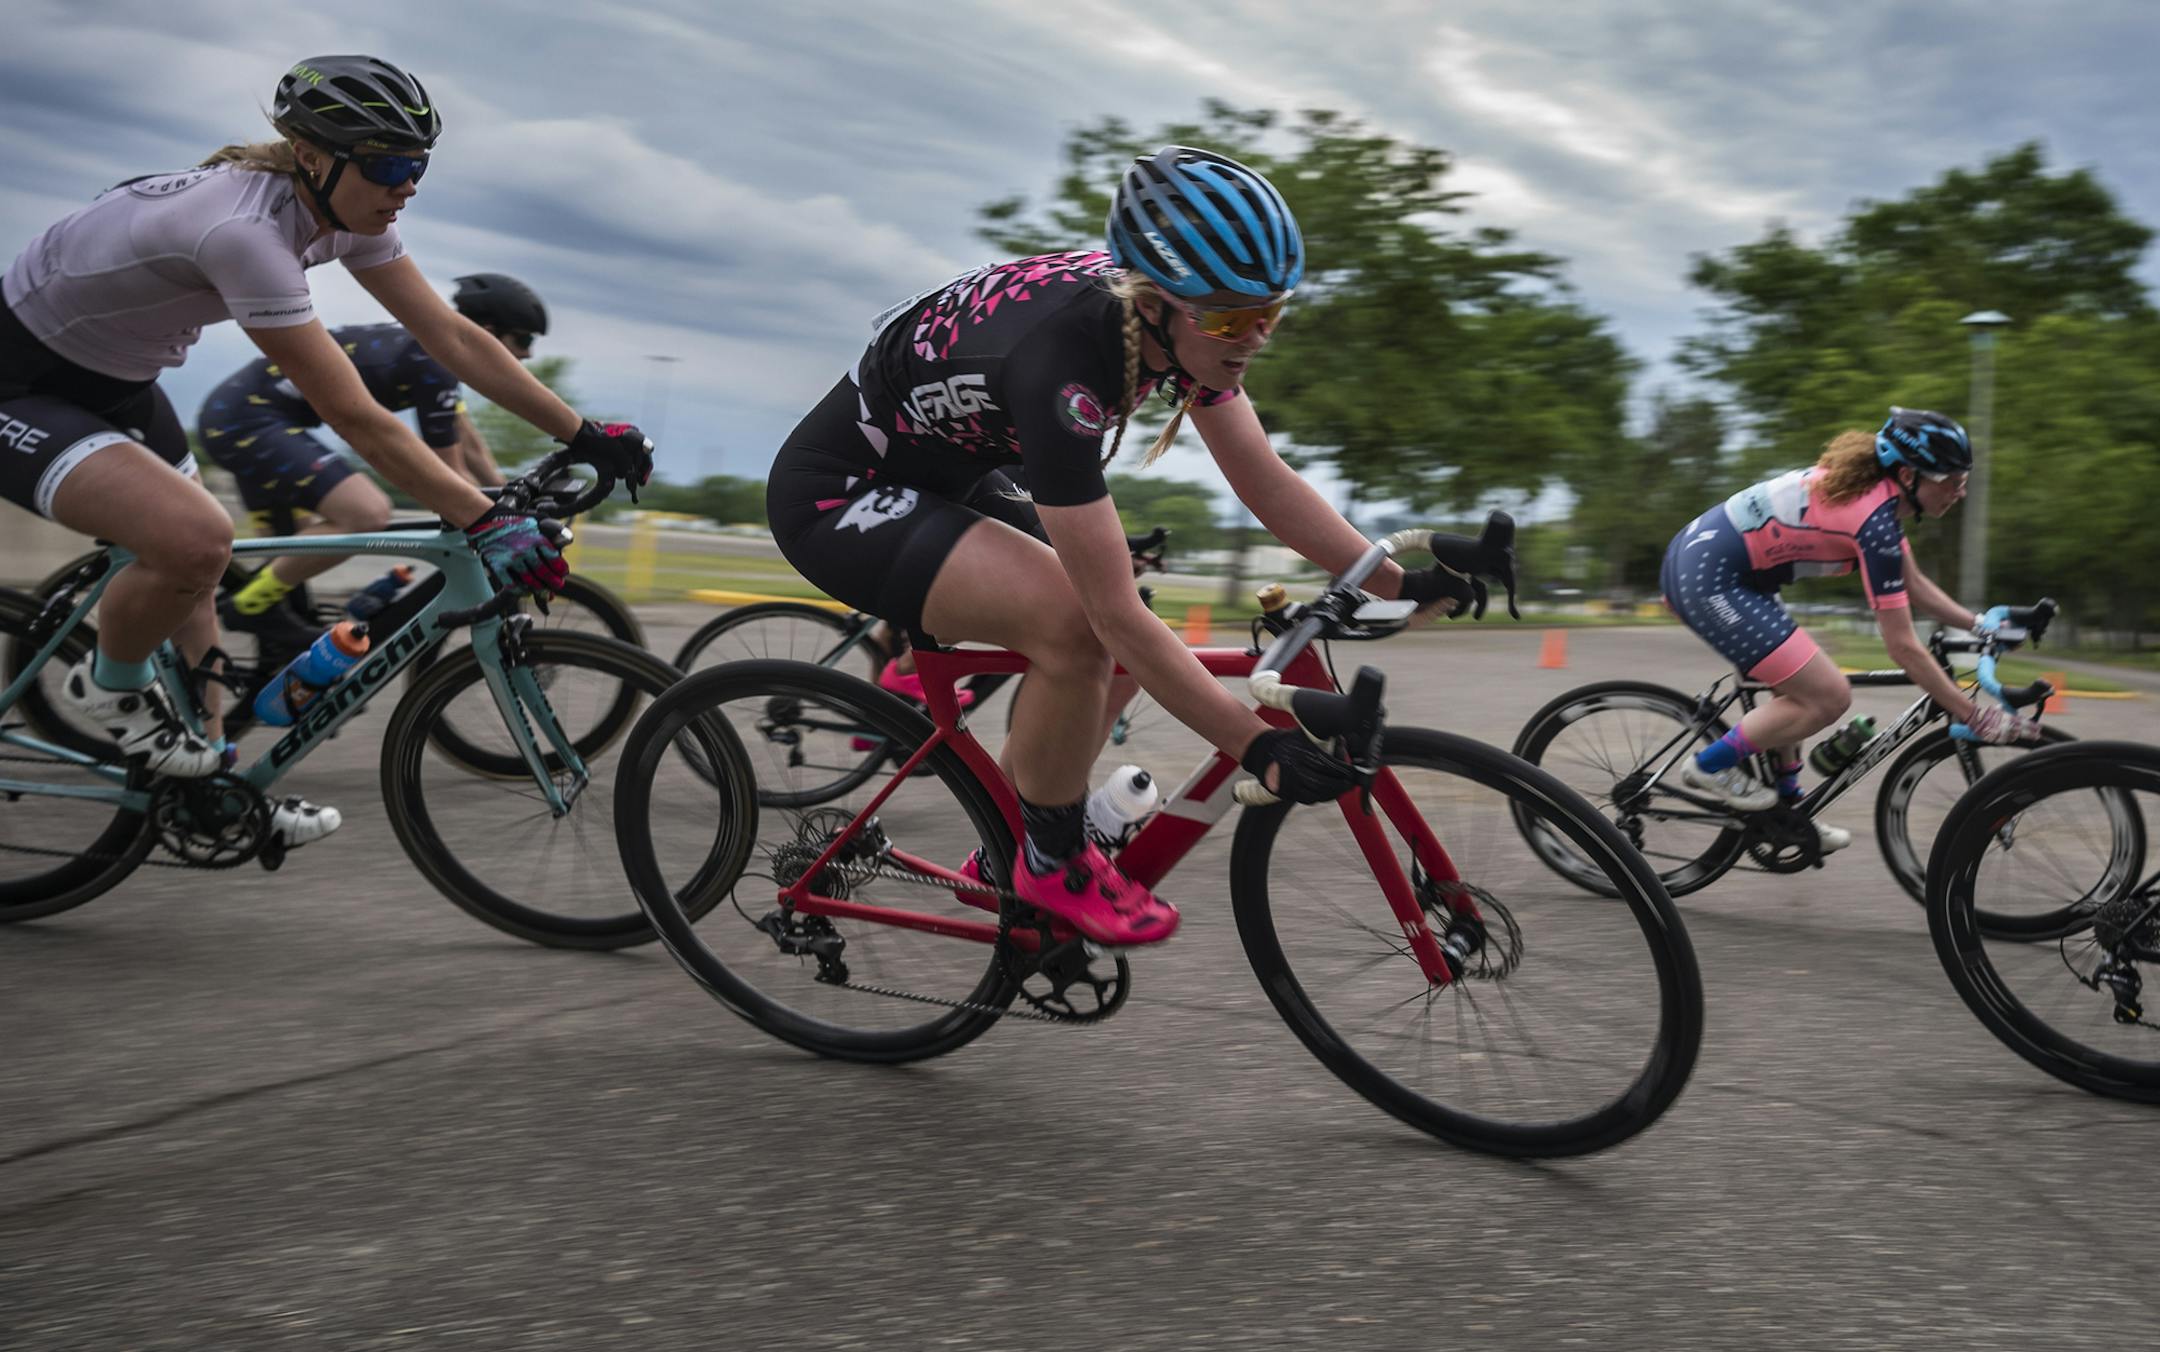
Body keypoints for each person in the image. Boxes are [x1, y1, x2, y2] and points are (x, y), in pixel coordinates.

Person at [766, 145, 1487, 947]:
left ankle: (1010, 837)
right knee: (1082, 625)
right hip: (840, 492)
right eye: (1226, 316)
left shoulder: (1175, 328)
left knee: (1120, 616)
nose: (1250, 338)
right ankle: (1048, 855)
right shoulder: (1065, 366)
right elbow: (1105, 615)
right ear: (1153, 301)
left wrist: (1398, 584)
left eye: (1269, 314)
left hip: (948, 468)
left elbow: (1262, 479)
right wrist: (1257, 745)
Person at [0, 55, 649, 850]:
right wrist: (483, 519)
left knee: (200, 580)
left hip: (119, 380)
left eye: (419, 166)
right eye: (389, 165)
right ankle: (109, 684)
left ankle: (213, 787)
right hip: (19, 377)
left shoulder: (347, 212)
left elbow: (449, 336)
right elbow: (354, 414)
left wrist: (581, 432)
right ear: (312, 155)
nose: (407, 184)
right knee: (193, 540)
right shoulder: (244, 234)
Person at [1658, 407, 2042, 853]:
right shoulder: (1874, 522)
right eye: (1950, 480)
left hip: (1734, 574)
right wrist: (1971, 713)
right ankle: (1709, 766)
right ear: (1907, 474)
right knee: (1828, 695)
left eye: (1963, 479)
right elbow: (1902, 646)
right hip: (1709, 578)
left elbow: (1914, 585)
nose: (1961, 491)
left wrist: (1981, 624)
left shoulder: (1881, 500)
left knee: (1799, 686)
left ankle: (1787, 812)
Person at [198, 272, 550, 646]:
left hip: (247, 417)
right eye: (524, 339)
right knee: (365, 513)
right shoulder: (434, 363)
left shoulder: (432, 353)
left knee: (292, 566)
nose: (528, 354)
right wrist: (501, 518)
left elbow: (468, 444)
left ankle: (276, 664)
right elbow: (450, 472)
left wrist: (511, 494)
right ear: (489, 331)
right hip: (246, 420)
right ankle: (249, 607)